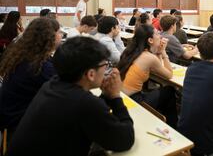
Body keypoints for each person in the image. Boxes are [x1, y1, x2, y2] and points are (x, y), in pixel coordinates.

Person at [6, 37, 134, 156]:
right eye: (105, 65)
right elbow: (125, 140)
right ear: (90, 74)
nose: (107, 69)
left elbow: (89, 112)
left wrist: (106, 95)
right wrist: (116, 97)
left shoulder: (52, 84)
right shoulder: (84, 103)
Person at [0, 18, 61, 140]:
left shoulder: (26, 56)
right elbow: (64, 91)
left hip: (10, 117)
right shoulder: (39, 66)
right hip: (19, 124)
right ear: (50, 36)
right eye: (59, 33)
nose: (61, 36)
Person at [117, 24, 177, 127]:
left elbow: (157, 65)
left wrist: (158, 53)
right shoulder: (149, 57)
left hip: (121, 97)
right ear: (150, 40)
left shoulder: (131, 51)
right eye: (158, 34)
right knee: (169, 90)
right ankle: (173, 126)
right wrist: (163, 52)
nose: (160, 36)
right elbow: (169, 75)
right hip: (133, 100)